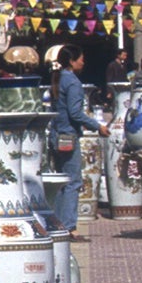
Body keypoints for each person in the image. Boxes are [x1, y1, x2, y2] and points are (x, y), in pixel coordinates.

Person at [49, 45, 106, 231]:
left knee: (60, 182)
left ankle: (57, 223)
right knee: (73, 182)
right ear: (72, 61)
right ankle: (69, 225)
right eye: (81, 58)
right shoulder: (73, 83)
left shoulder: (59, 80)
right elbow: (75, 113)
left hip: (56, 134)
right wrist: (98, 126)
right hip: (68, 136)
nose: (83, 61)